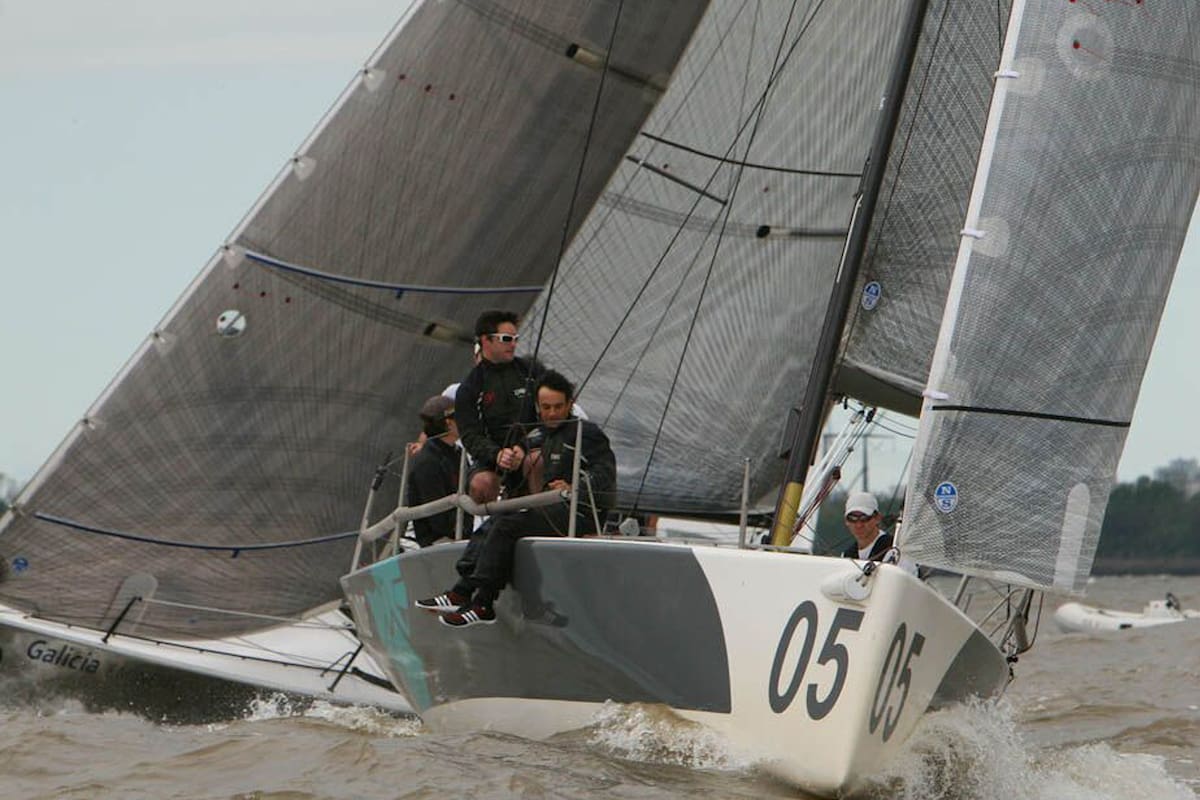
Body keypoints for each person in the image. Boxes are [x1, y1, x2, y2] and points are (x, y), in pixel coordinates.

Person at [416, 370, 617, 627]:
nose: (553, 413)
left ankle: (482, 603)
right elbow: (511, 465)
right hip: (549, 510)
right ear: (537, 407)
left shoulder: (586, 433)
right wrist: (510, 457)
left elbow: (606, 471)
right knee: (500, 518)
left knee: (508, 524)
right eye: (546, 407)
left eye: (558, 406)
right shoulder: (538, 435)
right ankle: (464, 591)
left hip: (579, 513)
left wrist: (574, 485)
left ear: (569, 404)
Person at [454, 310, 543, 504]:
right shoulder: (469, 388)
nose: (513, 344)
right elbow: (469, 435)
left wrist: (523, 446)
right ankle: (492, 528)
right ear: (486, 341)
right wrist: (497, 455)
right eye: (506, 339)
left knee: (536, 461)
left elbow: (553, 417)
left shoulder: (532, 371)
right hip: (493, 456)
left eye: (515, 339)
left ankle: (540, 518)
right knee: (481, 484)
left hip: (533, 448)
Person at [406, 395, 465, 547]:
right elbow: (440, 521)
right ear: (449, 424)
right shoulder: (428, 463)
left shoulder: (454, 452)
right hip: (439, 543)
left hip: (460, 530)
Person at [840, 491, 918, 576]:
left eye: (864, 518)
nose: (859, 525)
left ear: (877, 518)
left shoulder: (896, 551)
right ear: (846, 521)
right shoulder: (846, 556)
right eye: (852, 519)